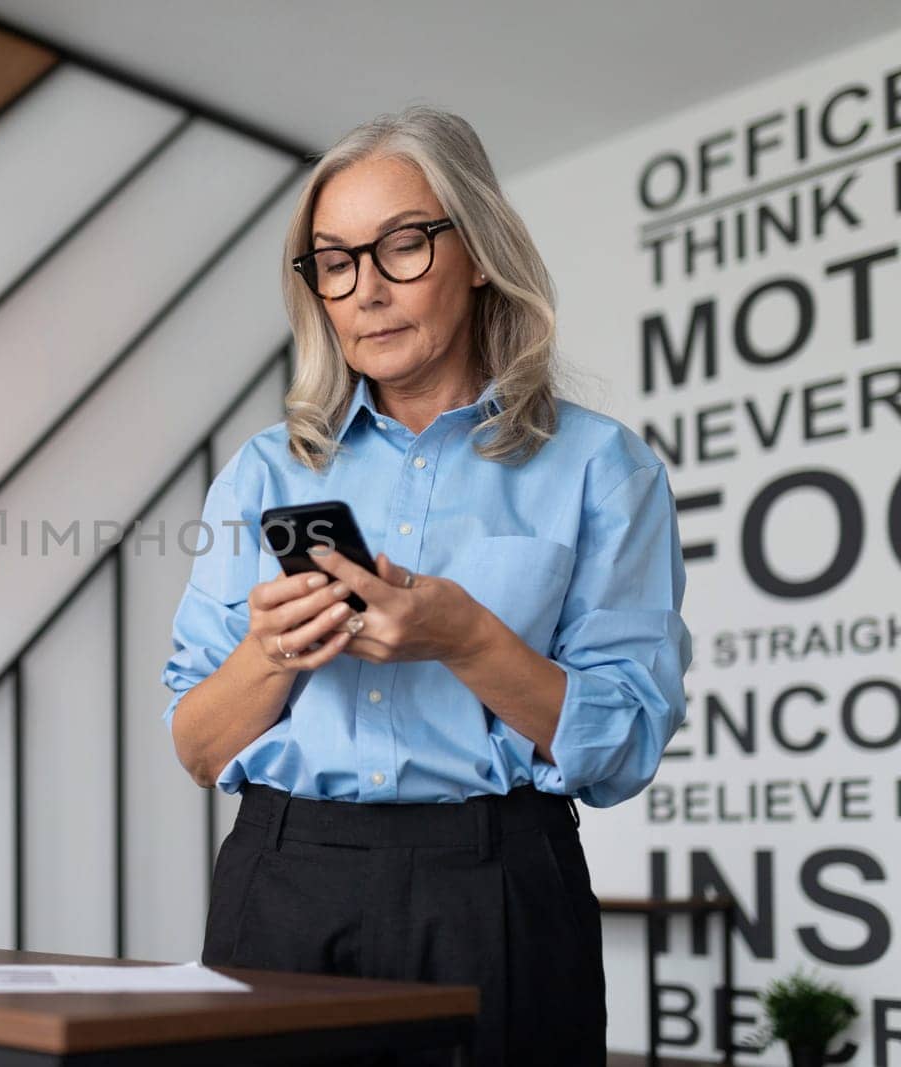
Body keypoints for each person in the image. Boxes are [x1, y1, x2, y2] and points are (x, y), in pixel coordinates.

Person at [159, 105, 692, 1067]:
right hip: (282, 883)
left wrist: (466, 638)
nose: (366, 289)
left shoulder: (602, 468)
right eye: (335, 261)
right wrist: (269, 653)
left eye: (402, 245)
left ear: (479, 250)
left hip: (498, 889)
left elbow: (622, 748)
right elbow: (198, 747)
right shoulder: (265, 474)